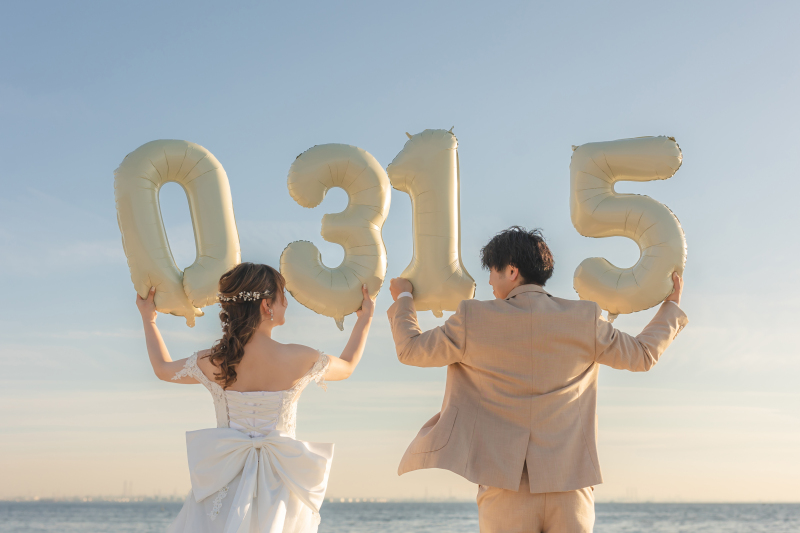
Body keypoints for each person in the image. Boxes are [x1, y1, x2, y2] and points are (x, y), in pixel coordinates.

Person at [386, 227, 688, 533]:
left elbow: (411, 349)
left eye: (493, 270)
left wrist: (405, 298)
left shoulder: (472, 318)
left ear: (512, 271)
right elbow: (642, 355)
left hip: (504, 489)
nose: (489, 280)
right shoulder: (585, 317)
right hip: (570, 488)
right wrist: (671, 307)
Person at [135, 262, 374, 533]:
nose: (286, 303)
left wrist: (148, 319)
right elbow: (348, 365)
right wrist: (364, 319)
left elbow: (162, 369)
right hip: (281, 488)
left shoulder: (214, 361)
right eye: (283, 297)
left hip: (222, 484)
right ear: (266, 305)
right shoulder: (300, 357)